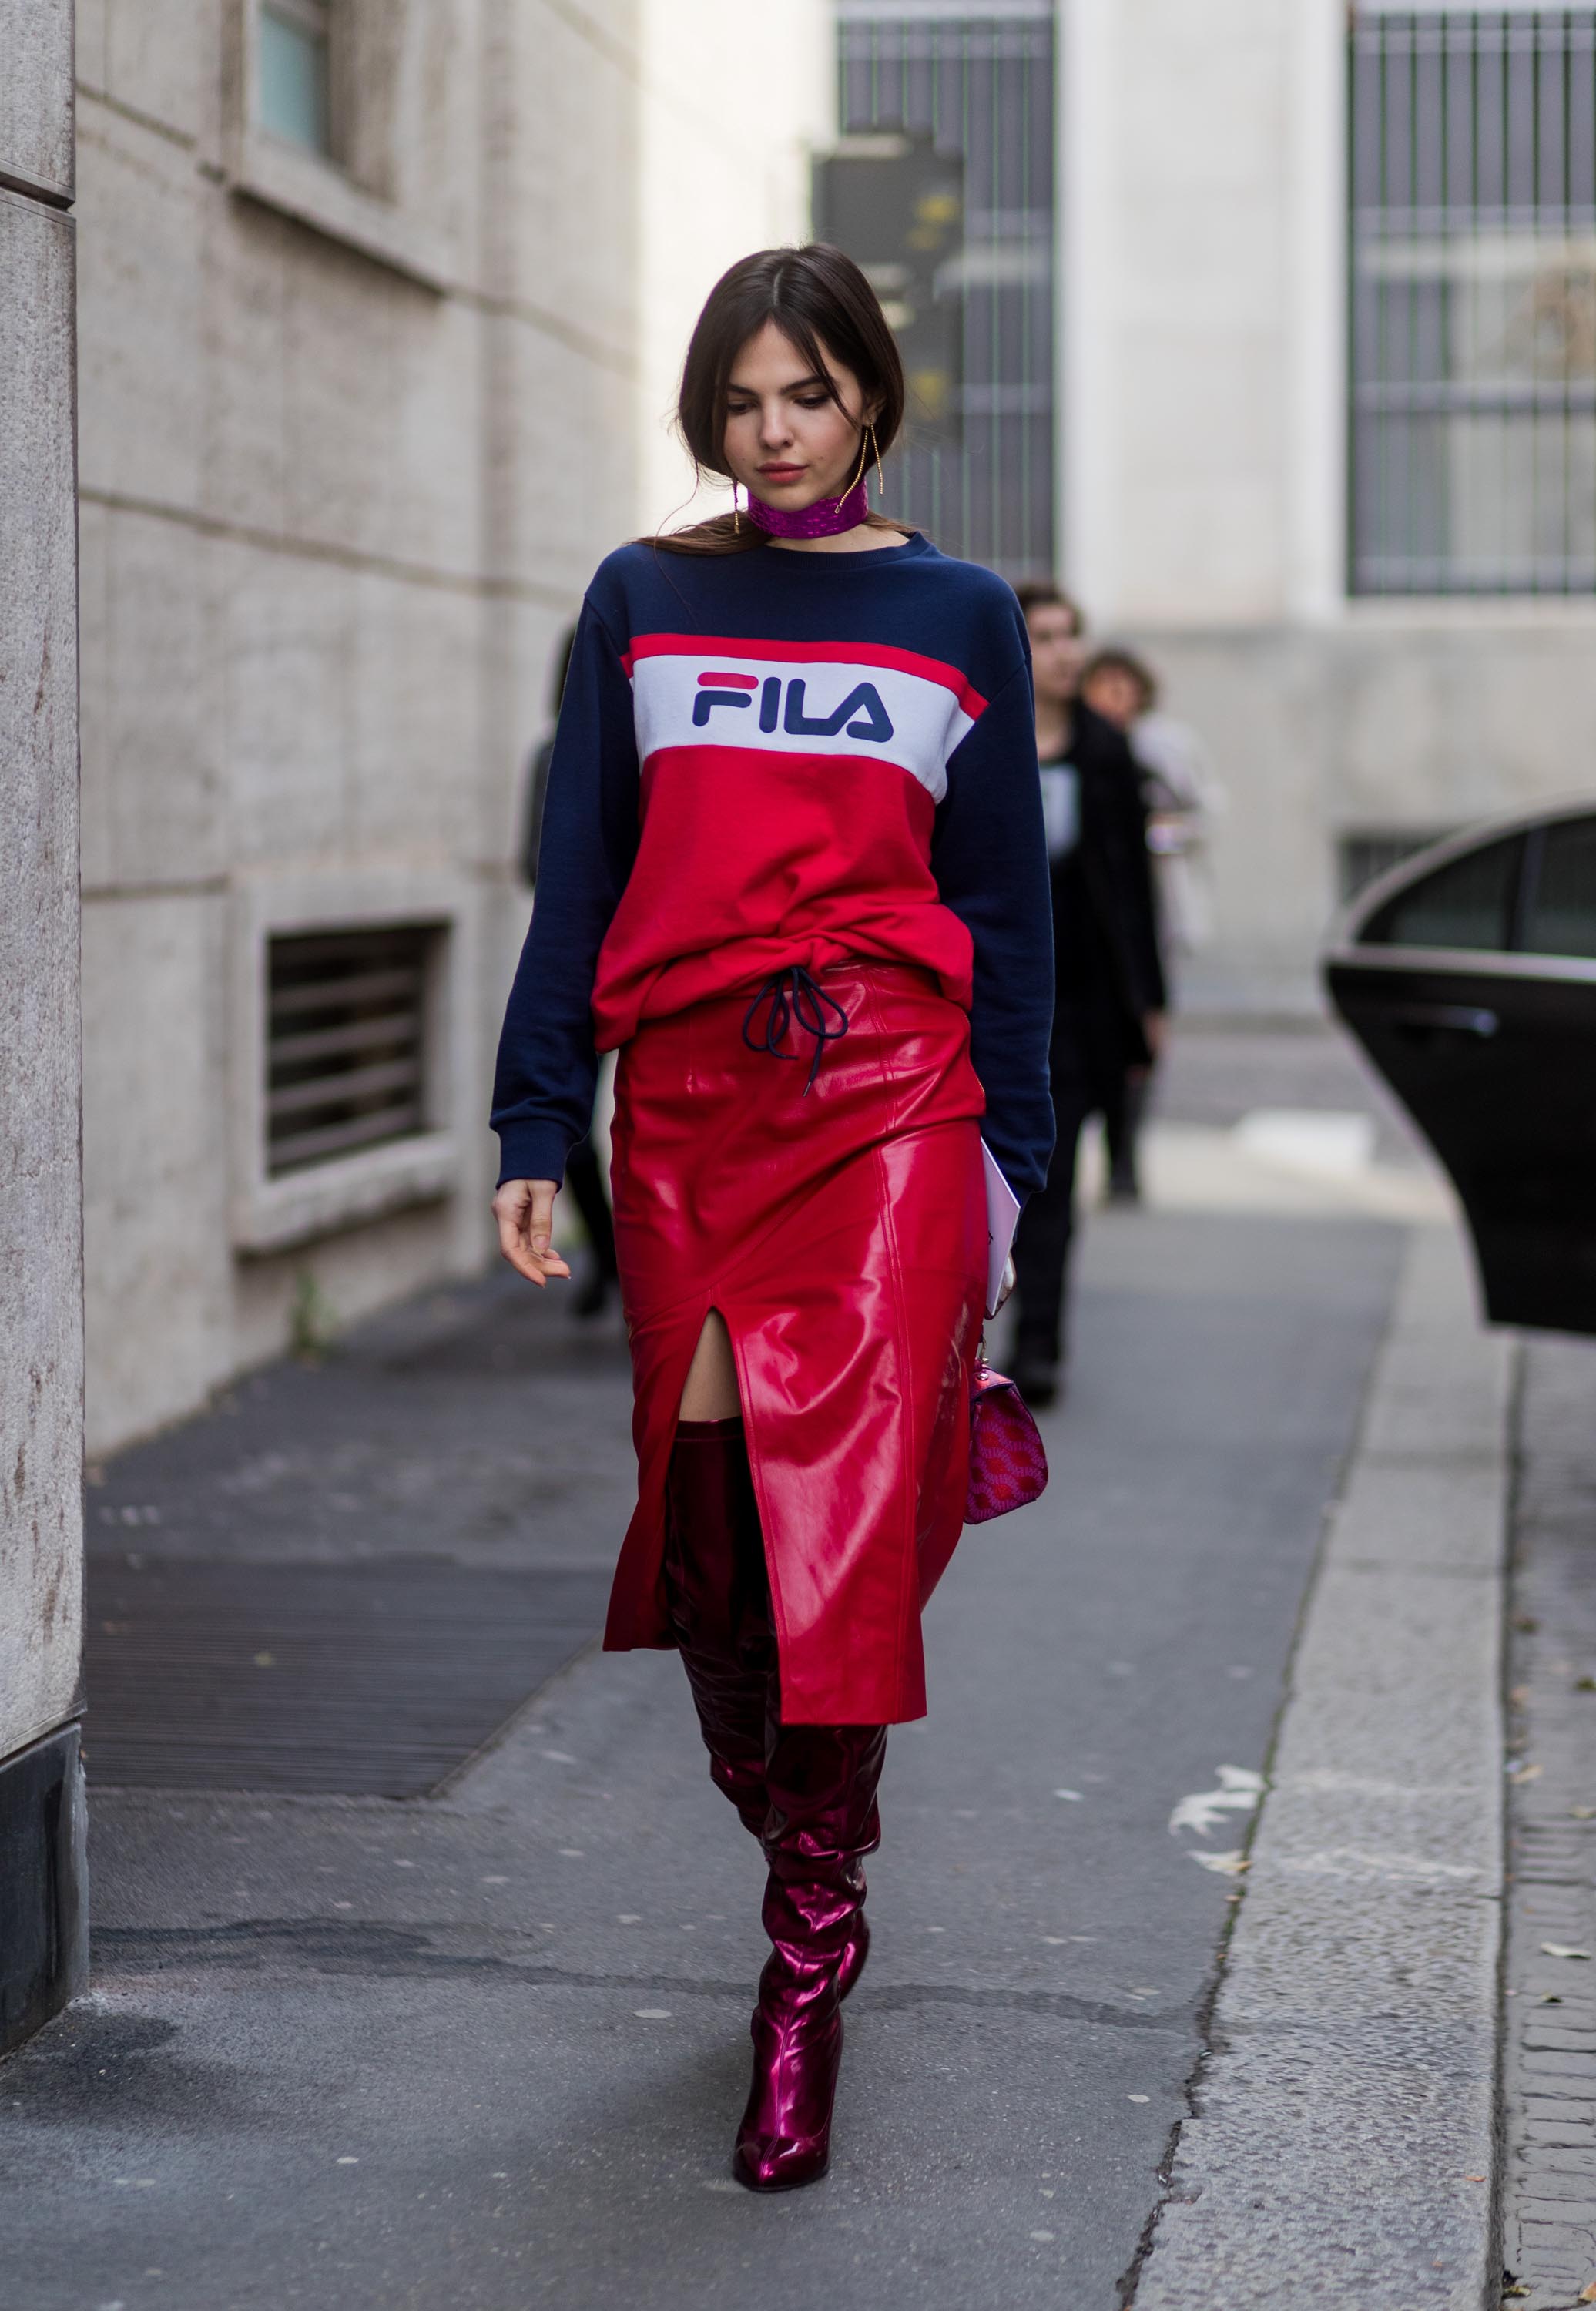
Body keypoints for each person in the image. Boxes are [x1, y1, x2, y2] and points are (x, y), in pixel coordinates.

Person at [489, 245, 1054, 2192]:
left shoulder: (961, 609)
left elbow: (1006, 916)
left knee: (839, 1542)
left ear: (869, 399)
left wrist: (1018, 1171)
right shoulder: (646, 597)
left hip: (893, 1096)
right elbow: (582, 869)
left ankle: (802, 1984)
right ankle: (815, 1843)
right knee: (713, 1527)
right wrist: (531, 1109)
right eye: (738, 403)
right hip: (692, 1109)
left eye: (804, 393)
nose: (771, 432)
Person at [1008, 586, 1165, 1407]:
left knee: (1052, 1180)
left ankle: (1038, 1341)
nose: (1065, 653)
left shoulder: (1105, 751)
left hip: (1077, 1007)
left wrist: (1150, 1002)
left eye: (1071, 637)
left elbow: (1134, 892)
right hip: (984, 1001)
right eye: (1044, 637)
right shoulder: (977, 739)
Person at [521, 625, 619, 1318]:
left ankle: (633, 1270)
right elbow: (530, 861)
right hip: (587, 966)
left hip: (645, 961)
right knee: (576, 1130)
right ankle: (612, 1260)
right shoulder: (551, 758)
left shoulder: (644, 753)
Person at [1080, 644, 1220, 966]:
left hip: (1159, 881)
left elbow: (1205, 810)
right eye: (1102, 682)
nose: (1112, 692)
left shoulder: (1166, 743)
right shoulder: (1081, 744)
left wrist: (1158, 834)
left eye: (1121, 682)